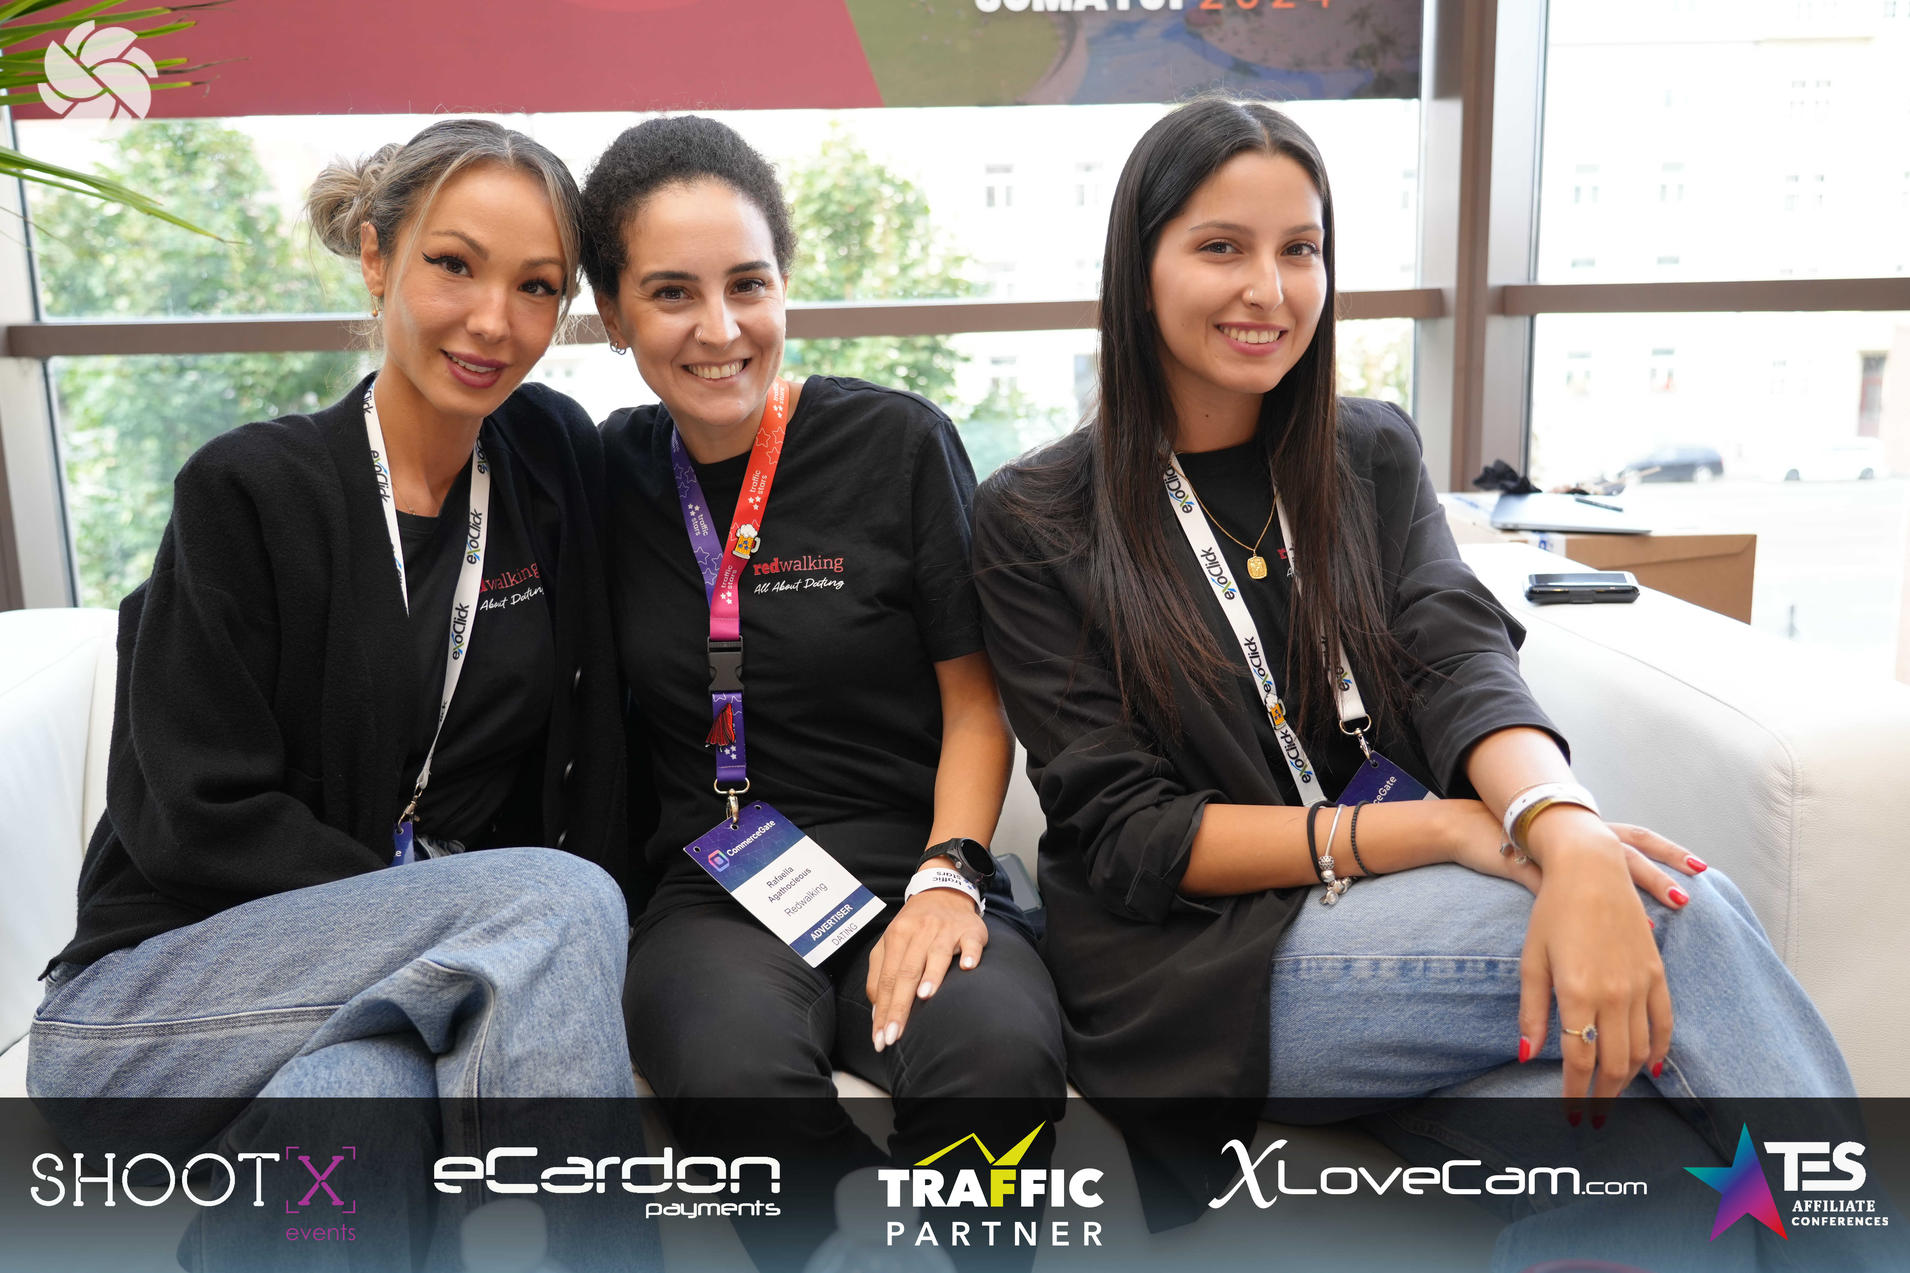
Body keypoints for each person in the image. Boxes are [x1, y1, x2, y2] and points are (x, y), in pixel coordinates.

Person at [970, 97, 1863, 1269]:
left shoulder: (1367, 452)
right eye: (1221, 247)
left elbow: (1457, 659)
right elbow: (1132, 834)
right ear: (1137, 270)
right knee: (1675, 913)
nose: (1268, 290)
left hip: (1406, 941)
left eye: (1299, 249)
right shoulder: (1037, 516)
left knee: (1664, 1172)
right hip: (1201, 970)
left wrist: (1560, 823)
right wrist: (1444, 829)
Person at [27, 119, 637, 1109]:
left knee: (362, 1090)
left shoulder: (546, 457)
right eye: (453, 265)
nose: (493, 320)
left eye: (536, 286)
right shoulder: (249, 492)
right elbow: (191, 816)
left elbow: (593, 731)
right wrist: (434, 902)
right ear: (376, 257)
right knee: (556, 903)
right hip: (154, 1005)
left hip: (402, 972)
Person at [583, 115, 1066, 1271]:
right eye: (671, 293)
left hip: (913, 869)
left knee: (995, 1059)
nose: (719, 328)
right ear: (611, 314)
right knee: (734, 1076)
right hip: (714, 891)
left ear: (783, 286)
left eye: (747, 284)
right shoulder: (605, 472)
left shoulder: (894, 443)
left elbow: (977, 705)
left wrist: (948, 877)